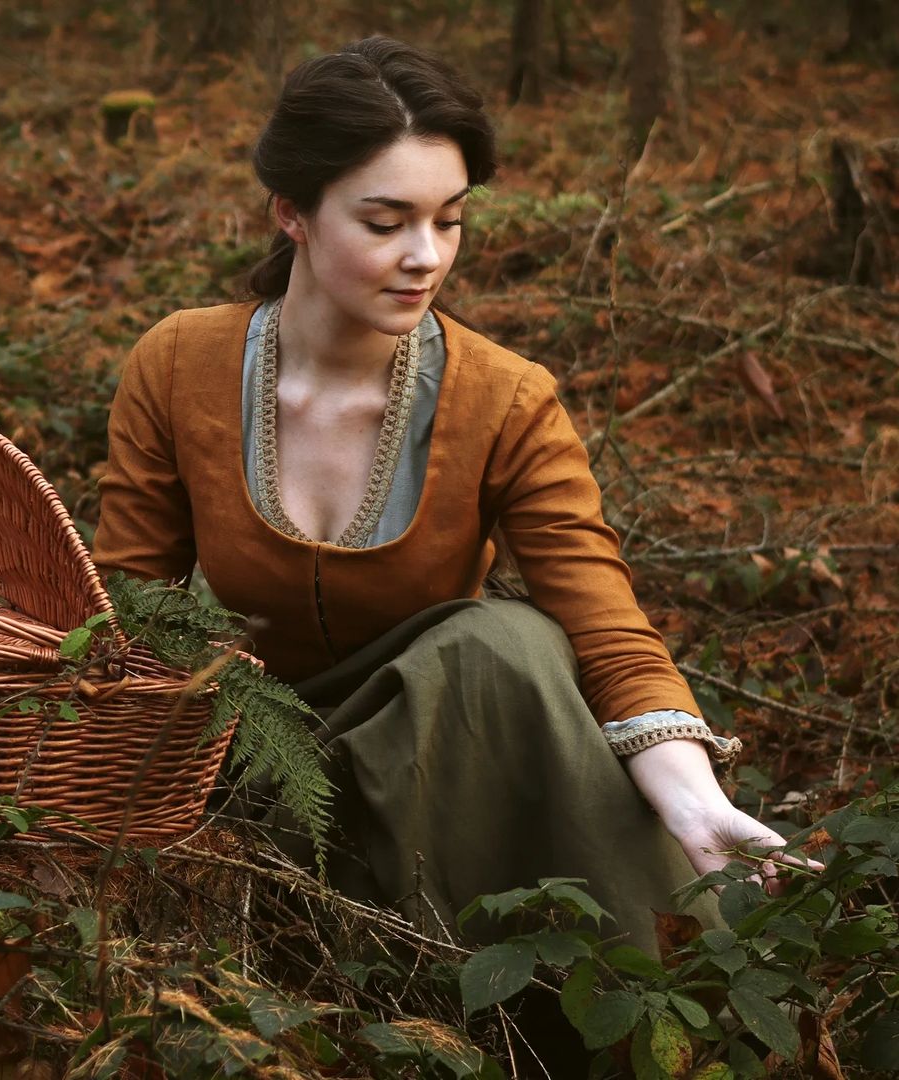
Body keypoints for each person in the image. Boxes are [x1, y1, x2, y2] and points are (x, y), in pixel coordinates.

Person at [92, 36, 800, 956]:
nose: (425, 257)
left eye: (450, 220)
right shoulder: (180, 364)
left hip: (444, 776)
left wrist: (693, 796)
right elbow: (125, 609)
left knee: (504, 646)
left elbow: (604, 624)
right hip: (256, 770)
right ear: (292, 212)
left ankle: (649, 985)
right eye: (385, 222)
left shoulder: (504, 397)